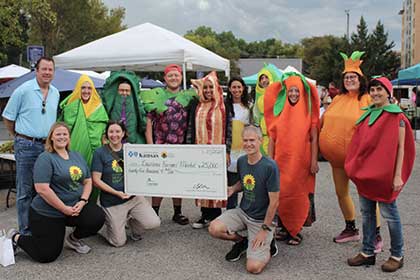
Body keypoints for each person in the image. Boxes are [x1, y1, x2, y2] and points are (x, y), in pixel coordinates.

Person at [6, 122, 105, 263]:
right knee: (46, 255)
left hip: (73, 208)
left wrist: (82, 201)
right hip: (48, 212)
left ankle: (73, 239)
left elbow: (88, 181)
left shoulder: (76, 156)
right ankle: (16, 237)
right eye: (58, 134)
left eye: (65, 134)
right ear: (51, 137)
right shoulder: (45, 158)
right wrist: (64, 209)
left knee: (97, 217)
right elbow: (42, 189)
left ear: (69, 138)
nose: (62, 137)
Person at [345, 77, 415, 272]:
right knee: (367, 214)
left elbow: (401, 147)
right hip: (366, 176)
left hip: (385, 177)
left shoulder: (397, 117)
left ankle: (397, 254)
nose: (375, 93)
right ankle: (368, 252)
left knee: (390, 215)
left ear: (388, 92)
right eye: (372, 90)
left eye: (379, 89)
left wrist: (397, 175)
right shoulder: (368, 115)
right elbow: (360, 145)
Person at [319, 51, 383, 251]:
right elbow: (324, 120)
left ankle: (376, 235)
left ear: (360, 78)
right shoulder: (338, 98)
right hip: (336, 160)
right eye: (346, 77)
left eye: (353, 77)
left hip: (359, 159)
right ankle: (351, 228)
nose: (349, 80)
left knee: (368, 195)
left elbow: (378, 123)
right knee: (341, 193)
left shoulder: (366, 99)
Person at [208, 125, 279, 274]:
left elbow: (274, 203)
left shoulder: (270, 166)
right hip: (243, 212)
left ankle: (269, 244)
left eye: (252, 140)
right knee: (214, 229)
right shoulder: (241, 161)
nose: (248, 144)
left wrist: (264, 231)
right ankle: (243, 241)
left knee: (253, 267)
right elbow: (245, 181)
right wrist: (233, 188)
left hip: (261, 220)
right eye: (245, 140)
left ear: (260, 141)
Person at [2, 57, 60, 235]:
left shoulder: (56, 92)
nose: (47, 72)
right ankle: (26, 232)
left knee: (43, 189)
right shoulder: (23, 90)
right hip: (26, 145)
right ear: (36, 70)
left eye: (50, 69)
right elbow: (8, 117)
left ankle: (39, 227)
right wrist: (18, 136)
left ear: (53, 72)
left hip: (46, 147)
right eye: (44, 69)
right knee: (25, 191)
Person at [264, 72, 320, 245]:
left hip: (302, 164)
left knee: (298, 194)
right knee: (282, 193)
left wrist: (313, 161)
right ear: (286, 92)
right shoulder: (279, 113)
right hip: (282, 162)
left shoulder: (308, 113)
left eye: (297, 91)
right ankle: (285, 228)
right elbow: (273, 138)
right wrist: (270, 160)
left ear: (302, 92)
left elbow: (314, 138)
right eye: (290, 91)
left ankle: (296, 230)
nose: (294, 94)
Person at [141, 64, 198, 225]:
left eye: (177, 75)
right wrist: (150, 144)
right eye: (170, 76)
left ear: (181, 77)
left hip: (180, 145)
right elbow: (149, 120)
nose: (174, 78)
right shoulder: (157, 95)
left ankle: (177, 212)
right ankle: (154, 212)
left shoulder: (188, 96)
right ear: (165, 78)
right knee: (158, 179)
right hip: (160, 144)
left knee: (177, 179)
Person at [92, 121, 160, 247]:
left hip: (133, 198)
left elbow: (144, 170)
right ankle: (111, 226)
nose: (114, 135)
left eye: (118, 131)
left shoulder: (131, 150)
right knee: (118, 242)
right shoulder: (100, 153)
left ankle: (132, 220)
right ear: (106, 134)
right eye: (111, 132)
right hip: (112, 201)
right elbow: (96, 180)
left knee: (153, 223)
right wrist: (116, 193)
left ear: (123, 133)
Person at [186, 71, 231, 228]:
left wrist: (227, 151)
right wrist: (189, 148)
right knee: (202, 181)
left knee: (215, 181)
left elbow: (229, 128)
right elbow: (190, 127)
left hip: (217, 151)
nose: (207, 91)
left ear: (216, 88)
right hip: (200, 150)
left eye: (210, 88)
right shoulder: (196, 104)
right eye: (205, 88)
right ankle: (205, 215)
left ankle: (215, 215)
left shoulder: (224, 105)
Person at [59, 75, 109, 202]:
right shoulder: (70, 107)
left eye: (89, 88)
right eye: (83, 88)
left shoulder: (99, 108)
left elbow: (104, 132)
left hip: (95, 154)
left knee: (93, 180)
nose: (86, 91)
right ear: (77, 89)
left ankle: (90, 208)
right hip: (74, 152)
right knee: (73, 179)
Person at [225, 77, 252, 209]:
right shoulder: (225, 106)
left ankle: (246, 213)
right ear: (229, 89)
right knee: (232, 184)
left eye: (239, 87)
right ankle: (231, 212)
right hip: (230, 151)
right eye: (234, 87)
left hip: (244, 150)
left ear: (243, 88)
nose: (236, 90)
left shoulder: (248, 107)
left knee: (246, 182)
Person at [101, 70, 147, 144]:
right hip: (113, 140)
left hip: (132, 141)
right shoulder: (111, 104)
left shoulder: (137, 105)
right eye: (121, 90)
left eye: (127, 90)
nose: (124, 93)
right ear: (117, 91)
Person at [252, 64, 282, 155]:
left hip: (274, 131)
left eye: (266, 77)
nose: (264, 80)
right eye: (261, 78)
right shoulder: (259, 95)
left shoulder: (278, 94)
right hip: (262, 133)